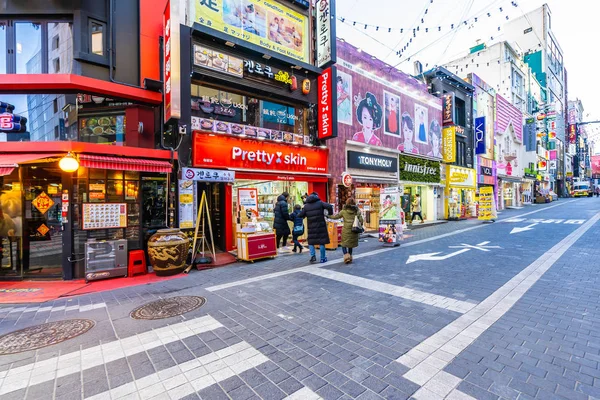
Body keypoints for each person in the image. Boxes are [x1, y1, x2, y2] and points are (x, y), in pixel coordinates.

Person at [297, 192, 333, 263]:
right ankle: (322, 258)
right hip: (321, 226)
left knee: (311, 242)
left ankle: (313, 256)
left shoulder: (306, 206)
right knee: (321, 242)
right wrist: (330, 214)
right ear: (316, 196)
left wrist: (301, 214)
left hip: (311, 227)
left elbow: (300, 215)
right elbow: (329, 206)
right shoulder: (320, 203)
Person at [331, 198, 363, 264]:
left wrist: (328, 216)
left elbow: (336, 217)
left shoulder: (344, 211)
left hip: (346, 230)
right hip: (354, 230)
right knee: (350, 245)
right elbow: (361, 221)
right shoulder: (357, 211)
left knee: (343, 244)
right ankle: (350, 256)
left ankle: (346, 256)